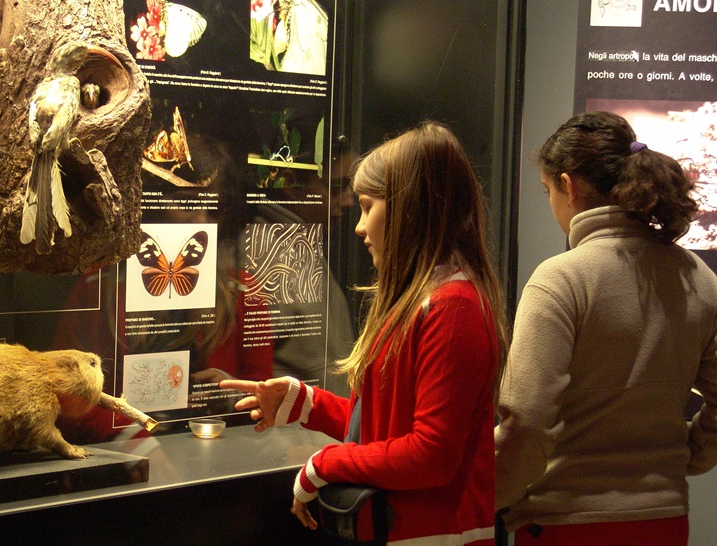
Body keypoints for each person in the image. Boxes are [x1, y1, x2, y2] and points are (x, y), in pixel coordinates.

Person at [222, 121, 508, 544]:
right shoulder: (422, 301)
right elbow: (384, 430)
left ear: (410, 209)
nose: (358, 227)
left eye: (368, 206)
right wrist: (306, 404)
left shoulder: (453, 308)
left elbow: (431, 454)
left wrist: (326, 464)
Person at [494, 111, 717, 545]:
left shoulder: (561, 278)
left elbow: (527, 419)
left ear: (568, 185)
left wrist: (496, 495)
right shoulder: (698, 276)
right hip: (665, 521)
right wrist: (688, 455)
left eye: (547, 191)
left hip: (565, 522)